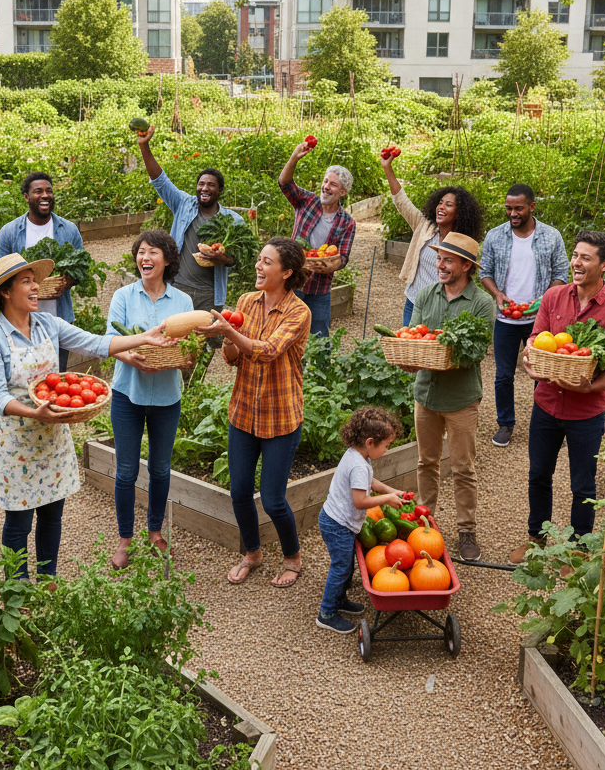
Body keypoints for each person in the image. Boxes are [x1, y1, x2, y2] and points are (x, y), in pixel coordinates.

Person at [0, 253, 173, 580]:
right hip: (17, 444)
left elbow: (94, 344)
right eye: (27, 282)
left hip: (52, 438)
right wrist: (34, 411)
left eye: (34, 280)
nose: (36, 287)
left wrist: (145, 338)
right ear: (6, 293)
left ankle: (48, 579)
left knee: (52, 515)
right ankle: (18, 589)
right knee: (19, 523)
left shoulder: (48, 324)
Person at [509, 231, 605, 564]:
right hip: (546, 403)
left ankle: (578, 551)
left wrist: (590, 387)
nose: (576, 263)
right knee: (538, 475)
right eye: (575, 255)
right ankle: (537, 539)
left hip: (587, 413)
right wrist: (531, 360)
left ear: (604, 265)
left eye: (585, 258)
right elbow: (537, 338)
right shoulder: (553, 297)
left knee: (583, 486)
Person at [206, 237, 312, 587]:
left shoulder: (299, 312)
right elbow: (232, 359)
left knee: (273, 499)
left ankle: (292, 556)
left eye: (267, 262)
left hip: (280, 416)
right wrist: (227, 338)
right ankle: (252, 553)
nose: (258, 266)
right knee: (238, 491)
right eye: (259, 260)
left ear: (287, 272)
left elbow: (268, 351)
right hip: (244, 411)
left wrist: (230, 331)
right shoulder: (246, 302)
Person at [105, 230, 193, 569]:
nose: (145, 258)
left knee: (160, 468)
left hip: (167, 397)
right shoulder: (123, 296)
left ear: (167, 260)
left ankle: (155, 530)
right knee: (126, 472)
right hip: (128, 393)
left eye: (153, 252)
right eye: (141, 252)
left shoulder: (182, 302)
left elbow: (189, 350)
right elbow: (113, 343)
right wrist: (134, 357)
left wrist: (184, 358)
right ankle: (124, 538)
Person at [408, 232, 495, 562]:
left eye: (447, 259)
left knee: (462, 467)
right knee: (426, 462)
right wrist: (411, 359)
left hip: (461, 399)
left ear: (466, 266)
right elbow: (414, 338)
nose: (439, 264)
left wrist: (439, 354)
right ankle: (425, 521)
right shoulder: (427, 294)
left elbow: (474, 353)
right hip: (426, 394)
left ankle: (466, 530)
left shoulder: (482, 303)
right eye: (439, 257)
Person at [479, 184, 568, 448]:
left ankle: (549, 425)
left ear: (532, 206)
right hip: (506, 318)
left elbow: (561, 273)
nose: (513, 213)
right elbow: (485, 272)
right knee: (503, 375)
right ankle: (505, 424)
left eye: (518, 208)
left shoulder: (551, 236)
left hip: (539, 320)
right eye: (508, 208)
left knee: (543, 373)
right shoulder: (495, 236)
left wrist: (544, 300)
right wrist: (497, 294)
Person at [134, 125, 244, 315]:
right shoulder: (183, 204)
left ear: (220, 190)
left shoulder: (232, 220)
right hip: (177, 287)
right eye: (201, 184)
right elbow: (160, 180)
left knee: (204, 341)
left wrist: (223, 258)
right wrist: (144, 146)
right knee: (174, 338)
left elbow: (239, 259)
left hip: (209, 293)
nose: (204, 188)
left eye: (211, 185)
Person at [316, 407, 404, 634]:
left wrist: (391, 490)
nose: (387, 450)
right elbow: (360, 501)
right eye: (386, 445)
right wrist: (387, 499)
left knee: (347, 565)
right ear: (371, 442)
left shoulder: (357, 455)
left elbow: (370, 482)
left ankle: (340, 599)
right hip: (338, 524)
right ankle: (326, 613)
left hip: (338, 521)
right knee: (341, 567)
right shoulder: (357, 465)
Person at [380, 149, 484, 326]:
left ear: (460, 213)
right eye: (440, 203)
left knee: (435, 352)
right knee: (410, 350)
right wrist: (387, 168)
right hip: (414, 302)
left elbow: (465, 276)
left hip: (443, 308)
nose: (441, 207)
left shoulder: (462, 242)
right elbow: (401, 201)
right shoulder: (424, 227)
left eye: (449, 205)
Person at [0, 171, 85, 373]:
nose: (45, 195)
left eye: (49, 191)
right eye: (38, 191)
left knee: (55, 380)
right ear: (26, 197)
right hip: (20, 322)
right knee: (22, 379)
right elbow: (0, 276)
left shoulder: (69, 230)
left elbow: (82, 269)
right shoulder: (9, 232)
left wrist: (65, 282)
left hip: (58, 321)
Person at [278, 139, 357, 337]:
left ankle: (316, 369)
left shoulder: (347, 222)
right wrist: (294, 157)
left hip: (320, 288)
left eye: (333, 184)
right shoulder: (307, 201)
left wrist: (330, 266)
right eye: (325, 181)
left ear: (342, 192)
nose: (326, 187)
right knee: (287, 334)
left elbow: (343, 258)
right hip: (293, 281)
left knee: (320, 339)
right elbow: (285, 183)